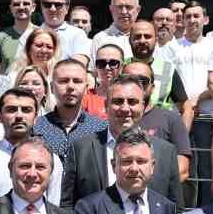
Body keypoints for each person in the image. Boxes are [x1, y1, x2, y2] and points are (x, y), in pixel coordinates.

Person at [62, 75, 181, 206]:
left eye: (132, 102)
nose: (125, 108)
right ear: (106, 106)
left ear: (143, 106)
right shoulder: (80, 150)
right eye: (118, 101)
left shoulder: (166, 152)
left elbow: (175, 209)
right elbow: (68, 206)